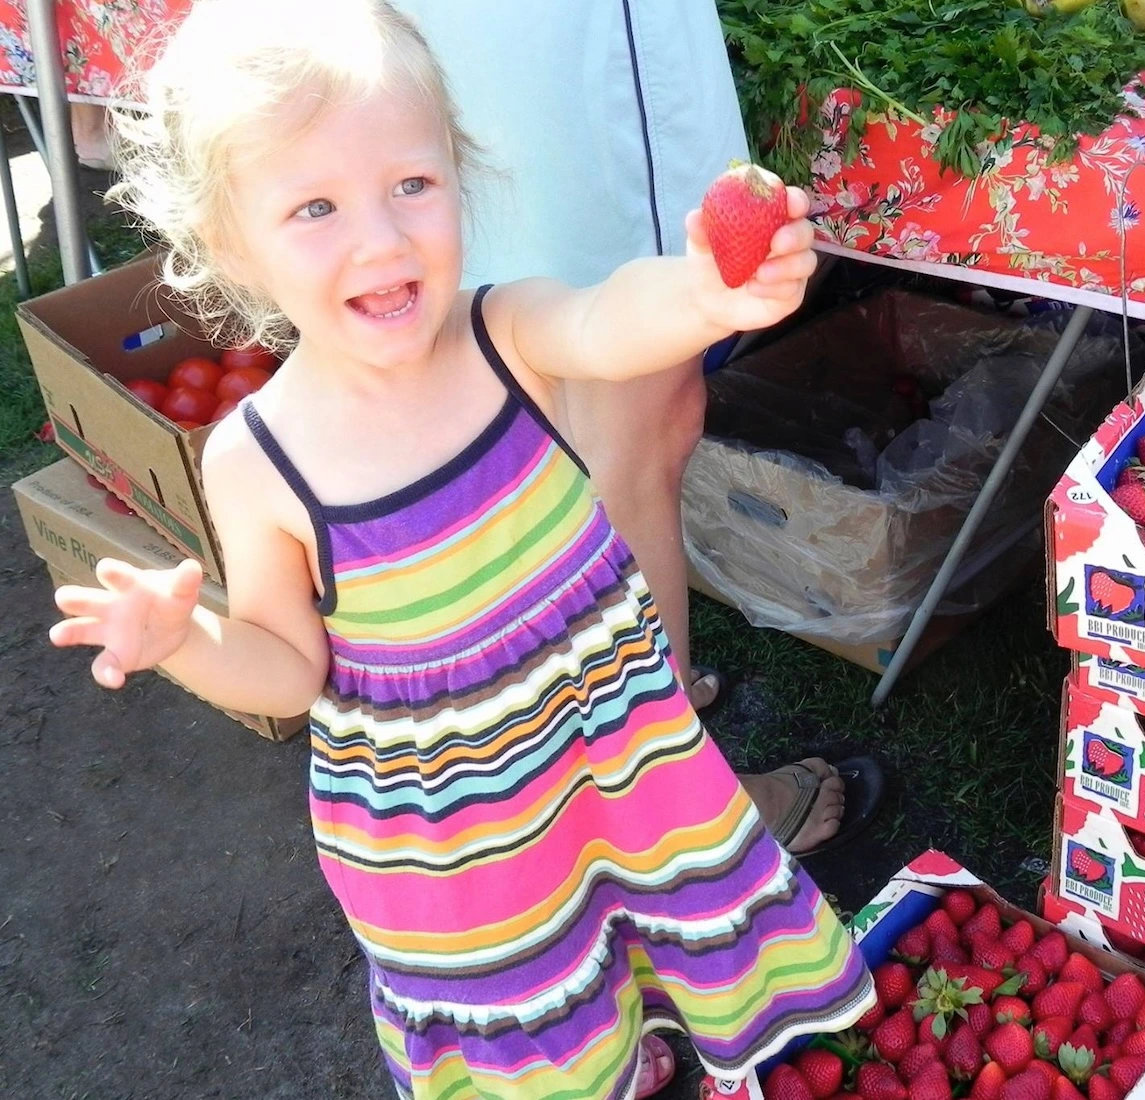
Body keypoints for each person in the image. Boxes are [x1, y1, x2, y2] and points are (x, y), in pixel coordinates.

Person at [47, 2, 874, 1096]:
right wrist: (186, 637)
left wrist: (705, 292)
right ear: (232, 242)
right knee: (545, 1018)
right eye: (315, 207)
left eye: (414, 185)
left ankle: (640, 1031)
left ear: (462, 171)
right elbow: (286, 666)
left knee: (633, 920)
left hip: (608, 751)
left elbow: (609, 321)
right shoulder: (261, 460)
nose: (382, 239)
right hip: (463, 850)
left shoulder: (501, 332)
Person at [387, 1, 884, 856]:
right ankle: (680, 804)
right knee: (637, 428)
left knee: (523, 362)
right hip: (553, 49)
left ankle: (582, 736)